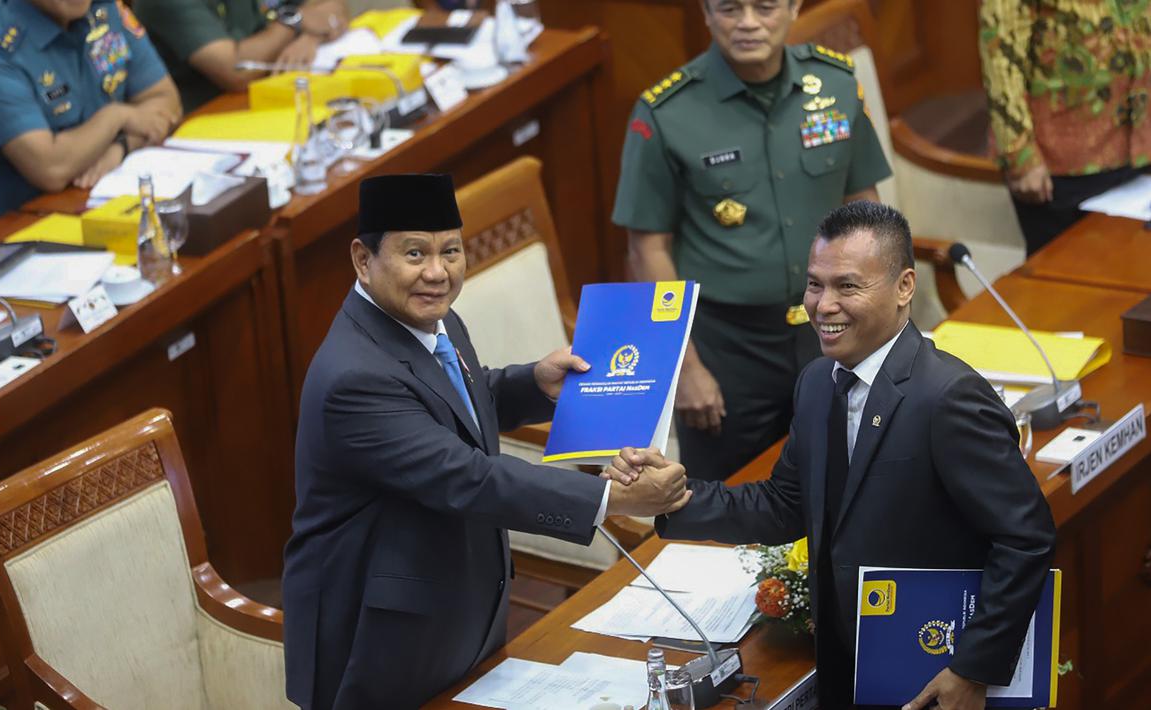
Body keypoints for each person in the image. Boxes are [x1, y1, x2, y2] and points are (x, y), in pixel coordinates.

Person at [607, 201, 1057, 709]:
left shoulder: (948, 397)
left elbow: (1026, 537)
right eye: (815, 284)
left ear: (905, 287)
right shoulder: (819, 382)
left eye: (848, 286)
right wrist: (673, 497)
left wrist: (973, 668)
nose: (823, 305)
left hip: (936, 664)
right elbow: (784, 505)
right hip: (847, 662)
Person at [281, 173, 693, 709]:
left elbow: (451, 402)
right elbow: (463, 474)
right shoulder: (352, 378)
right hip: (380, 636)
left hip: (453, 604)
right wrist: (610, 500)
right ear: (363, 259)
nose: (438, 272)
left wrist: (533, 382)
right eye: (414, 254)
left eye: (451, 251)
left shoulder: (435, 318)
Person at [612, 0, 892, 483]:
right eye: (728, 9)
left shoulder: (834, 83)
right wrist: (684, 366)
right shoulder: (667, 111)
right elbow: (647, 251)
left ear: (792, 7)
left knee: (852, 482)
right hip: (727, 348)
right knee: (729, 501)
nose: (747, 23)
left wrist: (885, 322)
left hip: (832, 323)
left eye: (764, 7)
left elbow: (868, 209)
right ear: (705, 13)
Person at [0, 0, 181, 228]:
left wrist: (121, 147)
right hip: (8, 232)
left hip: (99, 204)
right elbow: (50, 169)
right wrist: (116, 116)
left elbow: (166, 103)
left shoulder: (105, 9)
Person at [980, 0, 1151, 256]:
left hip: (1141, 142)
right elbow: (1001, 55)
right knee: (1068, 282)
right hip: (1062, 163)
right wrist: (1019, 155)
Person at [131, 0, 349, 112]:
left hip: (283, 91)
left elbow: (333, 8)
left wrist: (311, 36)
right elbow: (236, 70)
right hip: (218, 119)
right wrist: (296, 21)